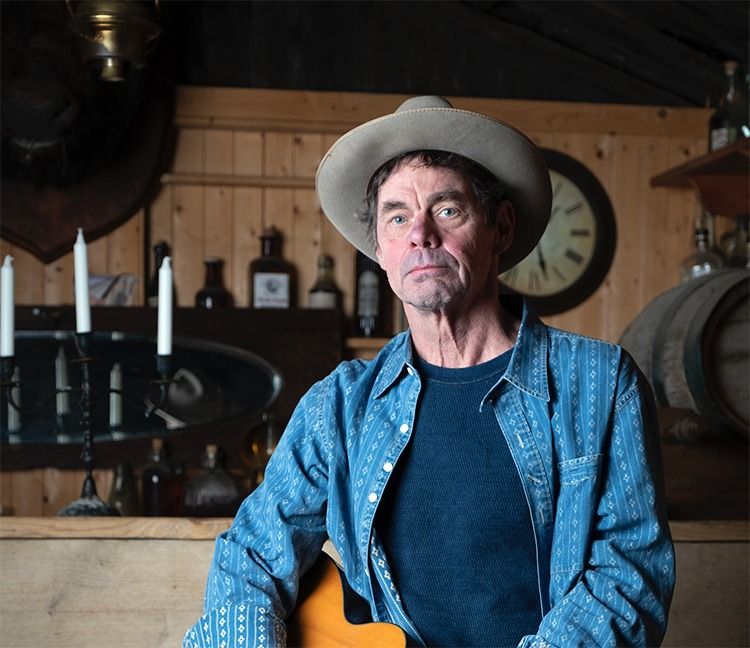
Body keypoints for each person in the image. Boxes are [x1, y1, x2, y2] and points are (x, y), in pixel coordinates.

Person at [183, 96, 674, 648]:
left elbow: (629, 578)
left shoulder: (601, 386)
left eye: (447, 209)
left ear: (501, 228)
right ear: (381, 249)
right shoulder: (340, 407)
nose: (420, 234)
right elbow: (249, 558)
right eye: (398, 216)